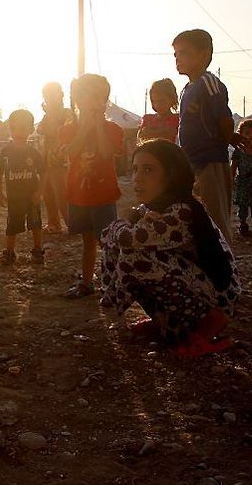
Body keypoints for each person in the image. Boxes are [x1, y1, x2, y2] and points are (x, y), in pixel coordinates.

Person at [101, 139, 242, 357]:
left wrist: (120, 224)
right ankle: (167, 324)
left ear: (172, 175)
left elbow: (127, 238)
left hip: (217, 293)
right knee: (125, 249)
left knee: (135, 259)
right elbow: (110, 238)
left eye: (148, 170)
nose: (137, 177)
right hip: (194, 282)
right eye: (135, 169)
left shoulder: (182, 211)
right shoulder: (150, 208)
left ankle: (209, 323)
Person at [173, 29, 244, 244]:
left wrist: (226, 138)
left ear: (204, 54)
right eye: (175, 54)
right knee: (192, 214)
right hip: (190, 160)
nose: (178, 59)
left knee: (216, 216)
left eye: (184, 53)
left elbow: (223, 118)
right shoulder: (187, 88)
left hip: (211, 159)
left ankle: (224, 264)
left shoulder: (209, 83)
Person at [60, 74, 126, 298]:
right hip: (79, 195)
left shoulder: (113, 129)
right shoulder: (69, 129)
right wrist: (85, 128)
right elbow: (70, 152)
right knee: (87, 241)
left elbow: (108, 152)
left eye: (100, 98)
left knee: (107, 242)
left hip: (103, 195)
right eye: (90, 97)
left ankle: (112, 286)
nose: (96, 103)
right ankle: (87, 283)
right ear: (78, 101)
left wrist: (97, 127)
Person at [0, 109, 44, 265]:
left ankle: (37, 250)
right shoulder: (5, 152)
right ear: (10, 129)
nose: (19, 132)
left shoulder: (33, 152)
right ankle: (9, 252)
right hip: (14, 198)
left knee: (36, 223)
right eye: (15, 128)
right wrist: (0, 193)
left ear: (30, 130)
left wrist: (39, 192)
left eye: (23, 128)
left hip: (32, 196)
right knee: (12, 224)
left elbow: (44, 173)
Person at [37, 81, 72, 234]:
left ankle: (72, 224)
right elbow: (41, 129)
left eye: (51, 95)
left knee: (61, 194)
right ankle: (53, 223)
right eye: (46, 96)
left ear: (60, 95)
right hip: (46, 158)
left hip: (60, 158)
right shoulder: (47, 115)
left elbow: (60, 131)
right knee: (47, 192)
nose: (49, 99)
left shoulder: (67, 113)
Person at [137, 78, 180, 144]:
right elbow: (141, 136)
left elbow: (174, 133)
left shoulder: (178, 119)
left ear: (171, 99)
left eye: (161, 101)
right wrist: (163, 132)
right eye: (154, 101)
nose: (157, 105)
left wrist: (153, 132)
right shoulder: (147, 118)